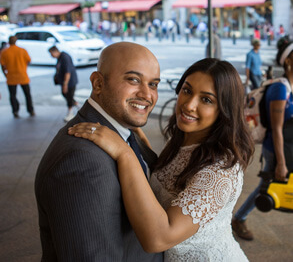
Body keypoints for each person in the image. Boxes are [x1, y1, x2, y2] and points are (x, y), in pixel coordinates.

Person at [69, 58, 255, 261]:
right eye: (187, 90)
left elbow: (158, 239)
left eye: (207, 100)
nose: (189, 105)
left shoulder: (219, 172)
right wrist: (138, 145)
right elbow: (167, 181)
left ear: (225, 111)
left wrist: (124, 153)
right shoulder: (186, 141)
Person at [35, 42, 163, 262]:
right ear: (98, 83)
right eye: (133, 79)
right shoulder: (82, 160)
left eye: (153, 84)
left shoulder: (122, 130)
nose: (147, 94)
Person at [232, 38, 293, 241]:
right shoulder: (280, 89)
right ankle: (239, 218)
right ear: (288, 62)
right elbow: (276, 128)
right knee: (265, 186)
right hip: (276, 148)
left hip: (288, 146)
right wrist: (281, 163)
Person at [0, 35, 35, 118]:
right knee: (27, 94)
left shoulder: (5, 52)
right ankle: (30, 110)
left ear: (9, 42)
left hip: (11, 76)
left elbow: (2, 65)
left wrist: (5, 74)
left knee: (12, 95)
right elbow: (29, 61)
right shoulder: (22, 50)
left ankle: (15, 111)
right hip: (23, 75)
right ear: (16, 41)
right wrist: (23, 67)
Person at [48, 46, 78, 122]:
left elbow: (68, 72)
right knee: (65, 94)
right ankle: (75, 104)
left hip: (69, 82)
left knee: (69, 96)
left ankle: (70, 113)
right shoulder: (60, 58)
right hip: (65, 81)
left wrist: (65, 84)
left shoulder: (65, 57)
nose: (51, 56)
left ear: (55, 51)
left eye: (51, 54)